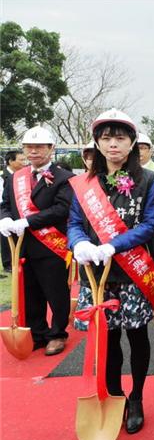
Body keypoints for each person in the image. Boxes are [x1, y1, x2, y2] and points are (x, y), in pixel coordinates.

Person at [68, 109, 154, 434]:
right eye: (107, 137)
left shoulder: (149, 180)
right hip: (96, 275)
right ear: (97, 142)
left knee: (137, 337)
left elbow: (153, 222)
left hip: (133, 273)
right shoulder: (84, 184)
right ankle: (115, 395)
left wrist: (115, 244)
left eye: (120, 137)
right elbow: (74, 223)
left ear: (132, 142)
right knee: (107, 340)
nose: (113, 144)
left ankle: (137, 396)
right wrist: (79, 243)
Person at [1, 126, 74, 355]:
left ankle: (57, 334)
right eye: (28, 147)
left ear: (51, 149)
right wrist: (4, 219)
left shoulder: (65, 178)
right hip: (22, 247)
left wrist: (29, 221)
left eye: (39, 147)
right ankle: (38, 333)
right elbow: (4, 205)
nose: (33, 151)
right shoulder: (15, 178)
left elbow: (62, 209)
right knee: (30, 293)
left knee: (56, 292)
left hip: (52, 246)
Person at [1, 150, 27, 272]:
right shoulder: (3, 177)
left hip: (18, 212)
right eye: (21, 160)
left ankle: (16, 261)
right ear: (11, 161)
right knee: (6, 238)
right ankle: (8, 264)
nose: (24, 162)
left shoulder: (21, 176)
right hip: (5, 212)